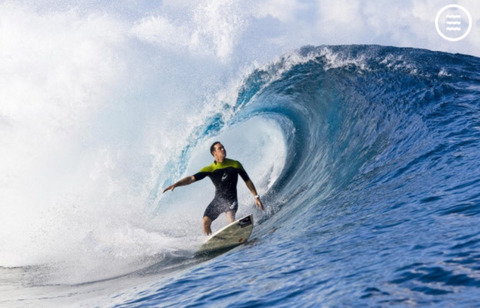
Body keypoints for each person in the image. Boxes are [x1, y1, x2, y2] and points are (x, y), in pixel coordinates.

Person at [163, 141, 264, 235]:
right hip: (218, 201)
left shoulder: (235, 164)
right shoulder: (210, 169)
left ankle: (238, 236)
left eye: (223, 147)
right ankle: (210, 243)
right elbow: (191, 178)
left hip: (231, 199)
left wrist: (256, 196)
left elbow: (247, 180)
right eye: (220, 148)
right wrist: (176, 184)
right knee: (205, 222)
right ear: (214, 153)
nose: (223, 149)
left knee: (231, 220)